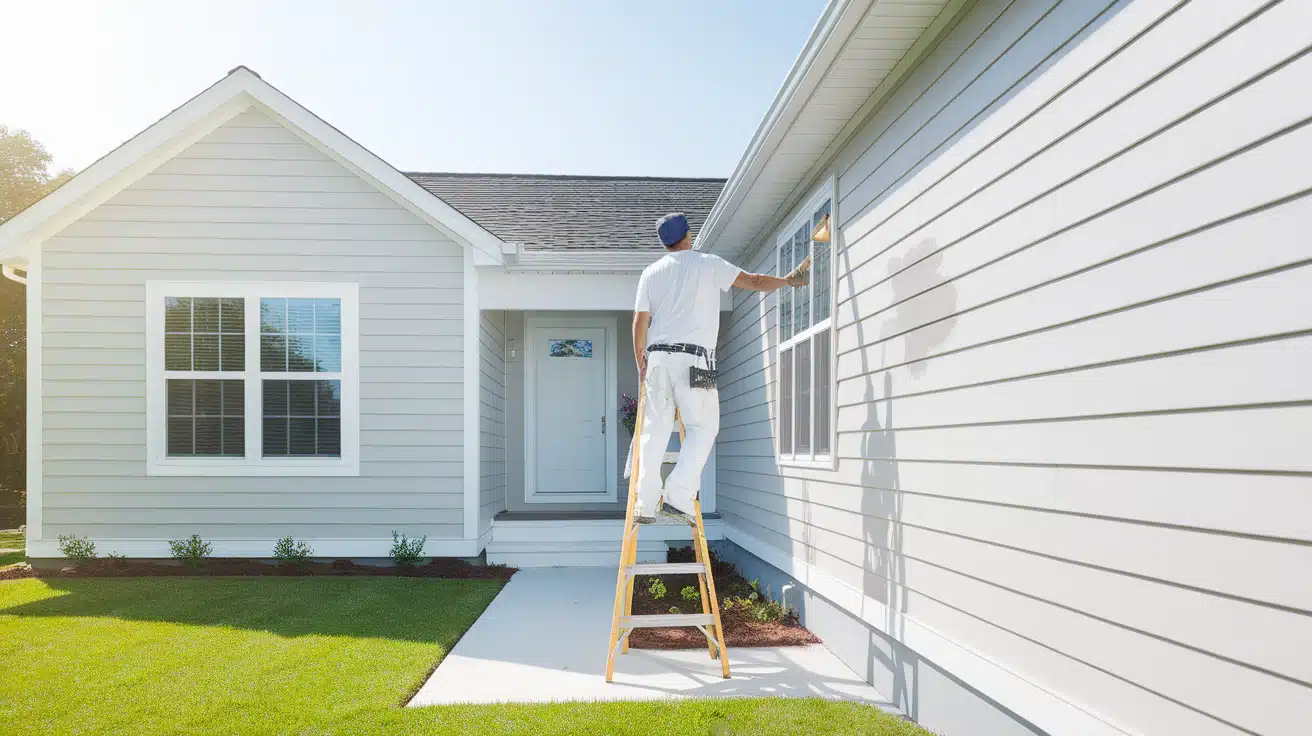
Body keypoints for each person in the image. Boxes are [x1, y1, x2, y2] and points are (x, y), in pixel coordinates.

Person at [631, 212, 810, 524]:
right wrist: (789, 280)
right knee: (703, 427)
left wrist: (641, 363)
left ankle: (644, 505)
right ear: (688, 235)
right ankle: (677, 495)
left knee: (654, 432)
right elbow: (753, 281)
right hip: (697, 359)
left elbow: (640, 322)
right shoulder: (708, 263)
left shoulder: (651, 272)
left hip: (657, 359)